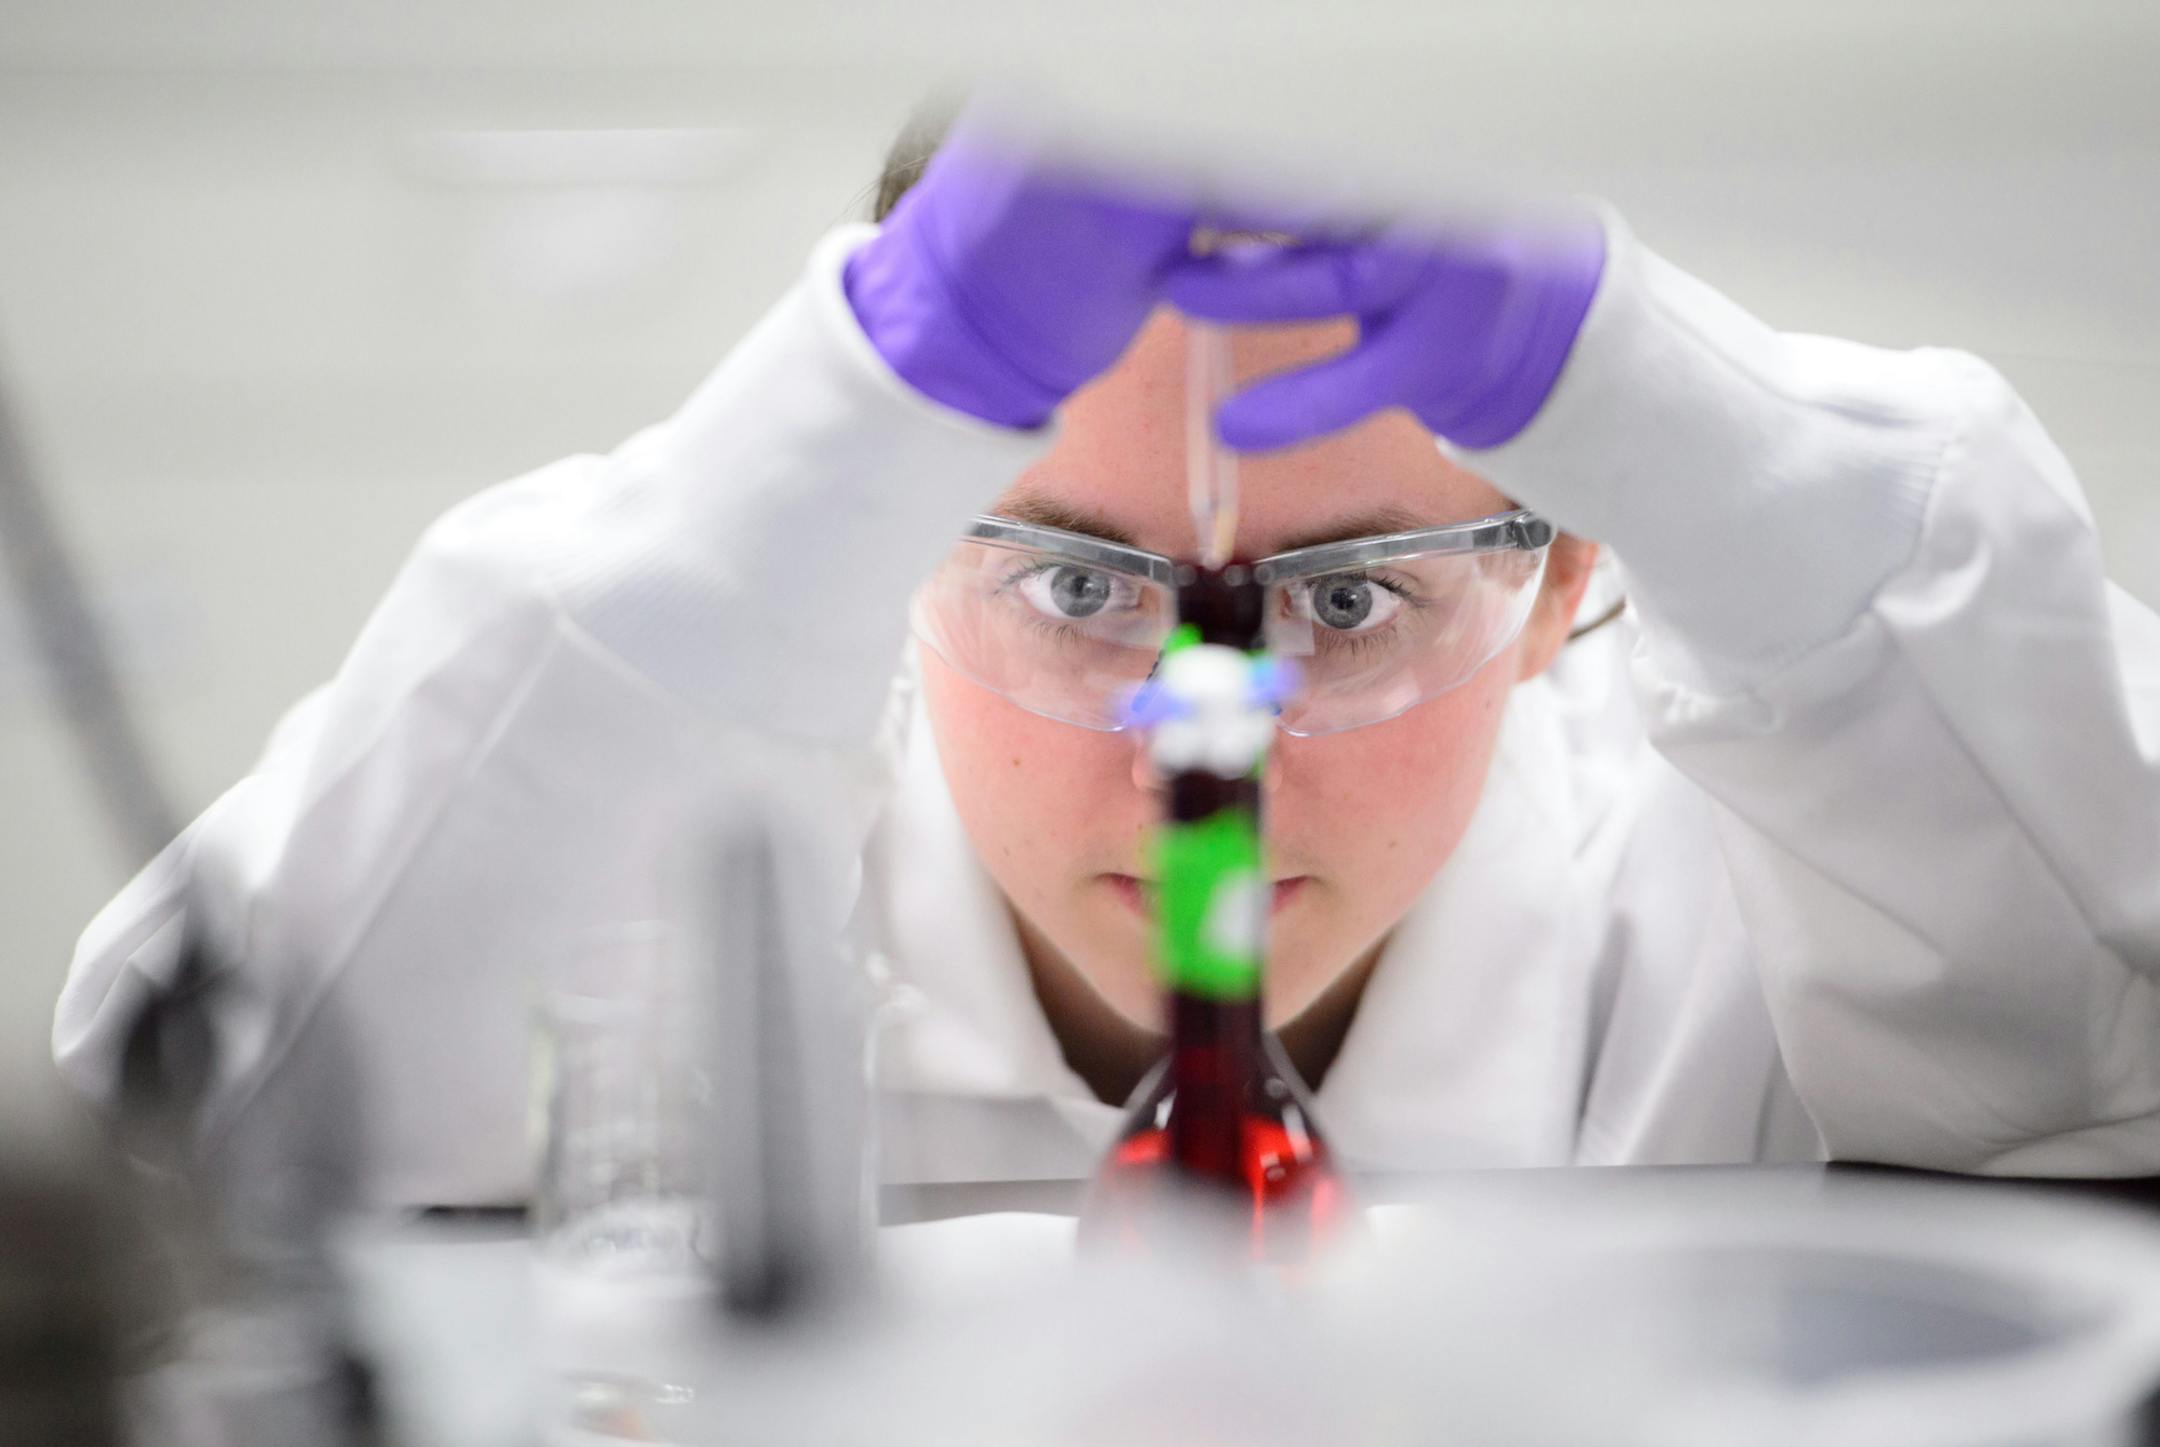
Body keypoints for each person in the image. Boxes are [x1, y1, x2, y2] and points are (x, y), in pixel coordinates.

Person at [52, 110, 2160, 1204]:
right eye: (1074, 586)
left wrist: (1677, 400)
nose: (1199, 738)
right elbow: (202, 1128)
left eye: (1343, 598)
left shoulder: (1766, 904)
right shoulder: (666, 893)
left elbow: (2114, 1041)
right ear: (886, 550)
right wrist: (864, 404)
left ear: (1554, 584)